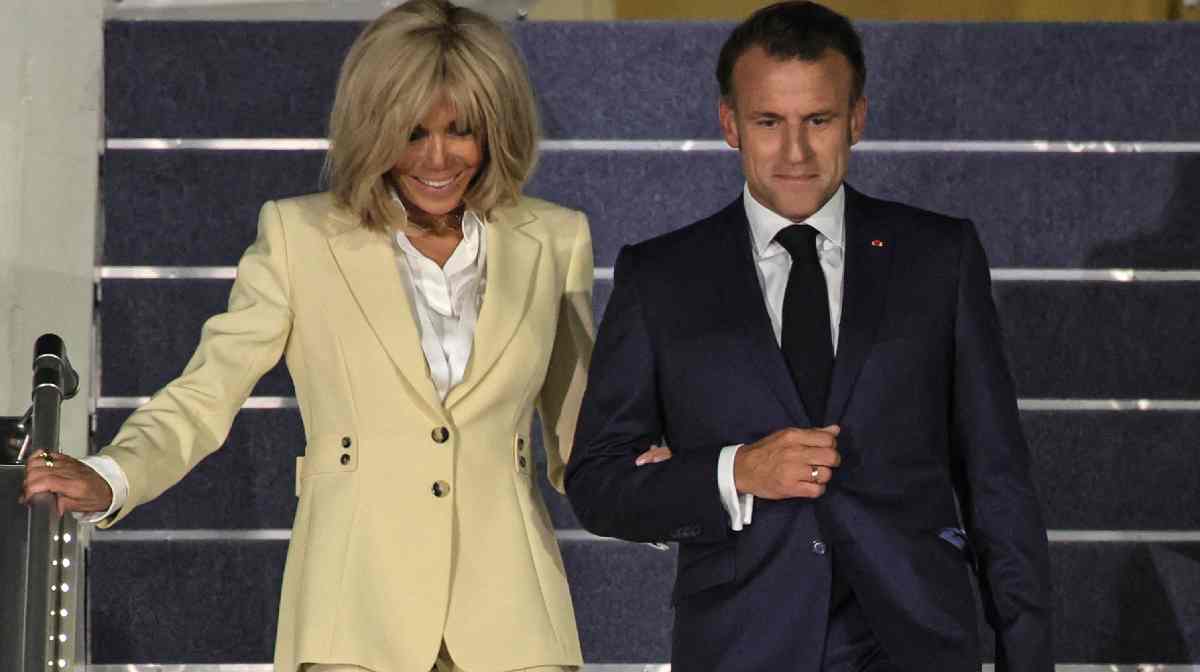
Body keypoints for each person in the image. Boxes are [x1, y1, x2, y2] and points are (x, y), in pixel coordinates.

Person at [21, 2, 594, 670]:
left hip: (513, 623)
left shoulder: (554, 239)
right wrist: (111, 474)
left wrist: (681, 489)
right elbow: (206, 394)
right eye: (411, 133)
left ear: (497, 130)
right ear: (372, 129)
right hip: (353, 618)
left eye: (461, 131)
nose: (437, 158)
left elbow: (585, 433)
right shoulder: (300, 237)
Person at [564, 2, 1052, 670]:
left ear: (856, 119)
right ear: (731, 124)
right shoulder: (662, 276)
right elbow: (596, 482)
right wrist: (738, 471)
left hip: (918, 641)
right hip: (741, 643)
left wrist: (1026, 656)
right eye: (769, 122)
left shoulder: (940, 256)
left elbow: (998, 480)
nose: (795, 152)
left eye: (818, 120)